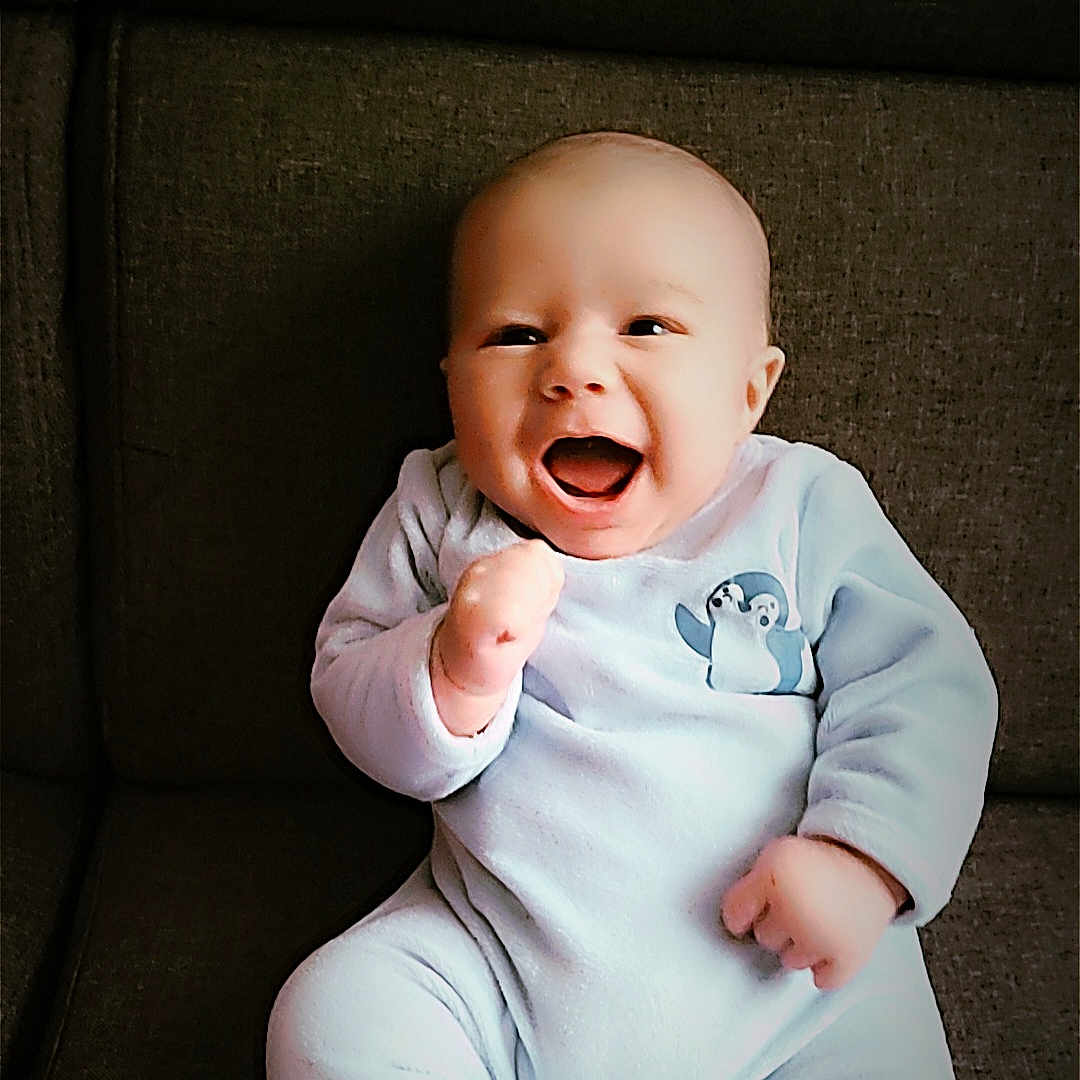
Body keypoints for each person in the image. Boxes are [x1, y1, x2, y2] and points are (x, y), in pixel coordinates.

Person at [266, 131, 997, 1079]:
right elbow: (351, 686)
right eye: (515, 334)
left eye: (646, 328)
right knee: (336, 1011)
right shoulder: (443, 510)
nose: (572, 369)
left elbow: (928, 684)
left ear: (750, 388)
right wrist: (450, 667)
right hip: (495, 963)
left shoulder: (800, 505)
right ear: (450, 382)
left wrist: (862, 860)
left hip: (789, 991)